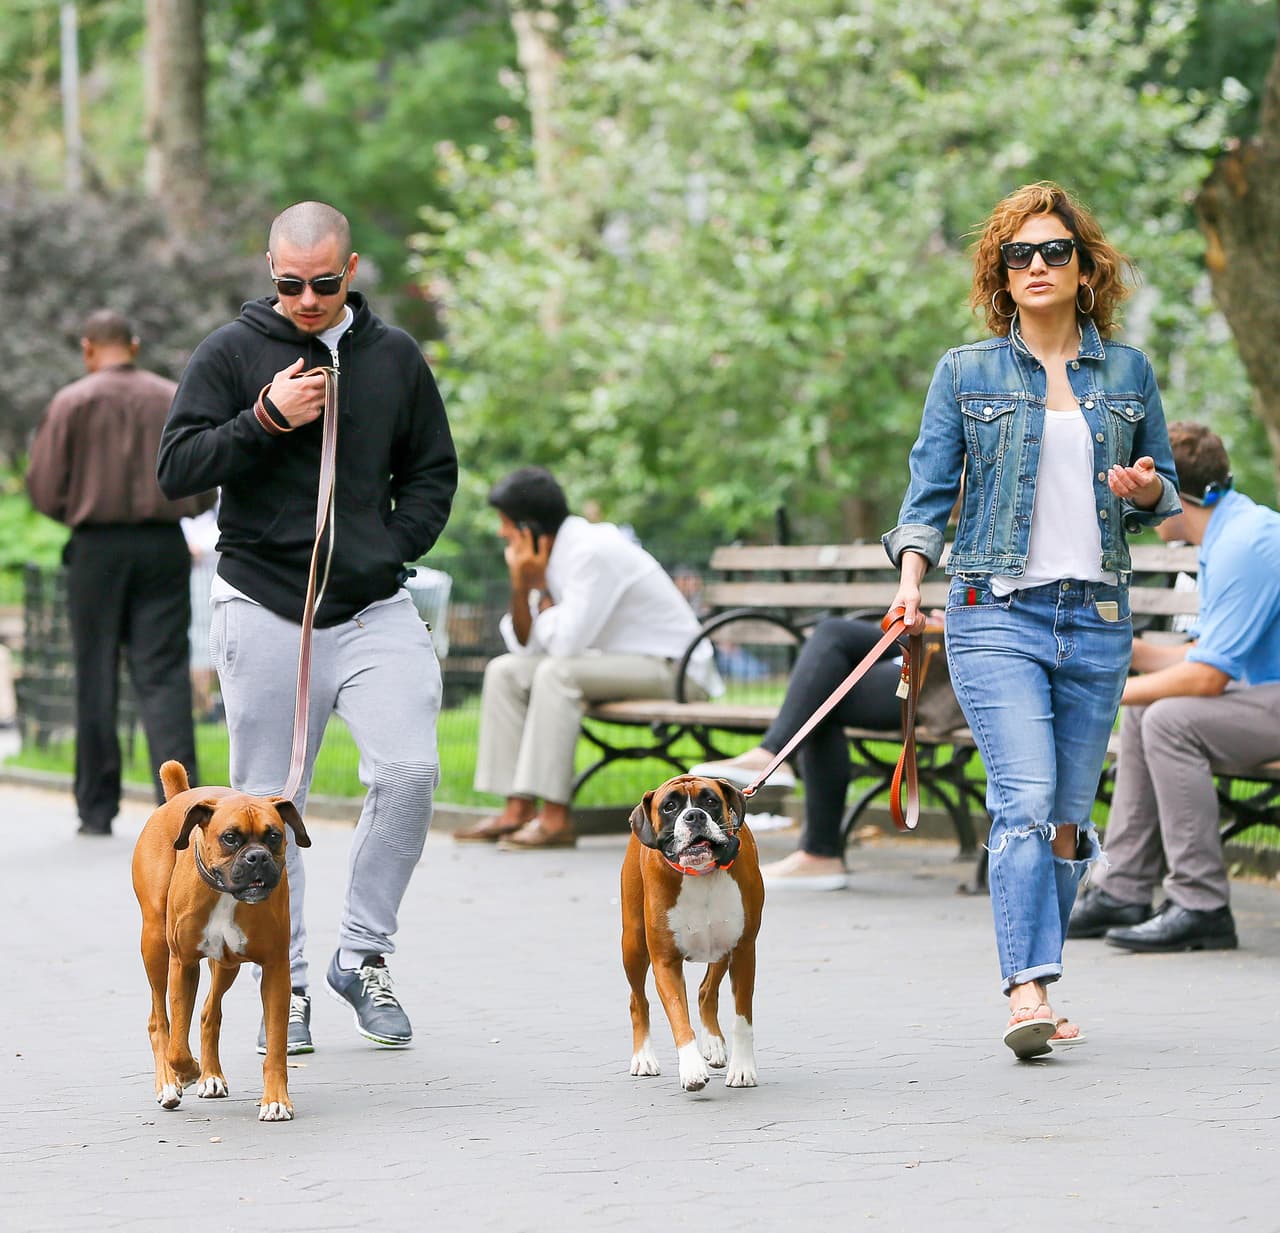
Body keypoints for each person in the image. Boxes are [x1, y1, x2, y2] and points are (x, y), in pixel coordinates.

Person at [882, 181, 1179, 1058]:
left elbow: (1163, 495)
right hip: (994, 612)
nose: (1038, 265)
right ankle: (1029, 989)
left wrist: (1147, 487)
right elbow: (928, 495)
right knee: (1020, 802)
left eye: (1056, 251)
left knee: (1066, 818)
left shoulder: (1127, 372)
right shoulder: (964, 371)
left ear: (1086, 271)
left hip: (1095, 616)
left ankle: (1039, 977)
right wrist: (910, 581)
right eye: (1021, 254)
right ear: (1001, 274)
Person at [157, 201, 457, 1054]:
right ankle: (279, 985)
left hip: (369, 606)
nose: (308, 299)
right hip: (262, 604)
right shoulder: (229, 352)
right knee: (261, 809)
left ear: (351, 269)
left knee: (408, 771)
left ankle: (361, 954)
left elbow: (433, 470)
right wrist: (264, 420)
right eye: (290, 283)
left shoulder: (394, 357)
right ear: (270, 269)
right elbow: (176, 466)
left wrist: (384, 547)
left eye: (324, 282)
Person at [1070, 423, 1280, 952]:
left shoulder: (1246, 543)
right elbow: (1204, 654)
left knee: (1168, 717)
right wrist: (1123, 654)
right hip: (1266, 696)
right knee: (1150, 713)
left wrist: (1102, 695)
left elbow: (1207, 680)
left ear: (1169, 490)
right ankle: (1123, 890)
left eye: (1139, 492)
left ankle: (1201, 904)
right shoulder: (1229, 531)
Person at [455, 466, 718, 849]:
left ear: (528, 530)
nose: (501, 533)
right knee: (505, 671)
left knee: (556, 673)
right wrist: (522, 585)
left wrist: (540, 592)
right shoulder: (553, 557)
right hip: (619, 663)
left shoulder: (591, 552)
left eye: (506, 523)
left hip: (674, 669)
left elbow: (563, 647)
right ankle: (517, 808)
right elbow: (524, 647)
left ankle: (556, 818)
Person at [27, 310, 214, 837]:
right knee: (164, 676)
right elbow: (203, 479)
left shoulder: (71, 402)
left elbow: (42, 486)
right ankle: (182, 810)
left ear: (89, 348)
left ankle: (96, 809)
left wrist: (80, 510)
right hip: (162, 547)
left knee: (95, 674)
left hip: (96, 551)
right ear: (133, 344)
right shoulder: (170, 396)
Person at [687, 617, 904, 891]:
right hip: (932, 640)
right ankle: (775, 761)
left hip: (956, 660)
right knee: (831, 635)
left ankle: (818, 849)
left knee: (823, 690)